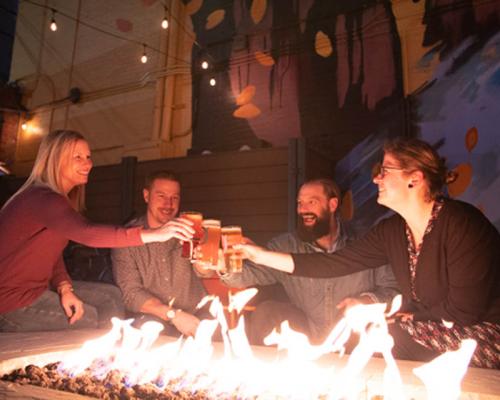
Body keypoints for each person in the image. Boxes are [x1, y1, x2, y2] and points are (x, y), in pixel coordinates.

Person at [239, 137, 500, 369]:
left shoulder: (461, 223)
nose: (376, 178)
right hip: (422, 330)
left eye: (384, 171)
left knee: (380, 337)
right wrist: (259, 255)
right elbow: (331, 263)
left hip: (482, 335)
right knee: (375, 336)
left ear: (415, 179)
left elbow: (464, 312)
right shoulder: (392, 231)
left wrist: (400, 316)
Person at [0, 130, 194, 332]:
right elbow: (88, 233)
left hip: (37, 290)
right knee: (91, 321)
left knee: (110, 296)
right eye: (78, 157)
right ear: (55, 160)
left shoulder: (59, 201)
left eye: (88, 157)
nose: (88, 164)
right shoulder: (42, 198)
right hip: (10, 303)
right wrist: (154, 234)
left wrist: (65, 288)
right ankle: (99, 358)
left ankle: (110, 357)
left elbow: (52, 254)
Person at [209, 178, 399, 345]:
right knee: (267, 311)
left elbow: (392, 292)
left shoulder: (367, 241)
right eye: (300, 203)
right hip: (303, 334)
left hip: (355, 335)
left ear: (333, 205)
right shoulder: (285, 246)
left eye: (311, 202)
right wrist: (221, 265)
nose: (303, 209)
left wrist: (364, 301)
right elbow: (247, 276)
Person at [112, 171, 209, 337]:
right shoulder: (127, 237)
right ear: (146, 196)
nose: (168, 204)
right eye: (161, 196)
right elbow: (131, 293)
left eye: (175, 198)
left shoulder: (191, 230)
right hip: (153, 317)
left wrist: (203, 265)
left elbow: (207, 271)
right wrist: (174, 315)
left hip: (197, 312)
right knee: (150, 334)